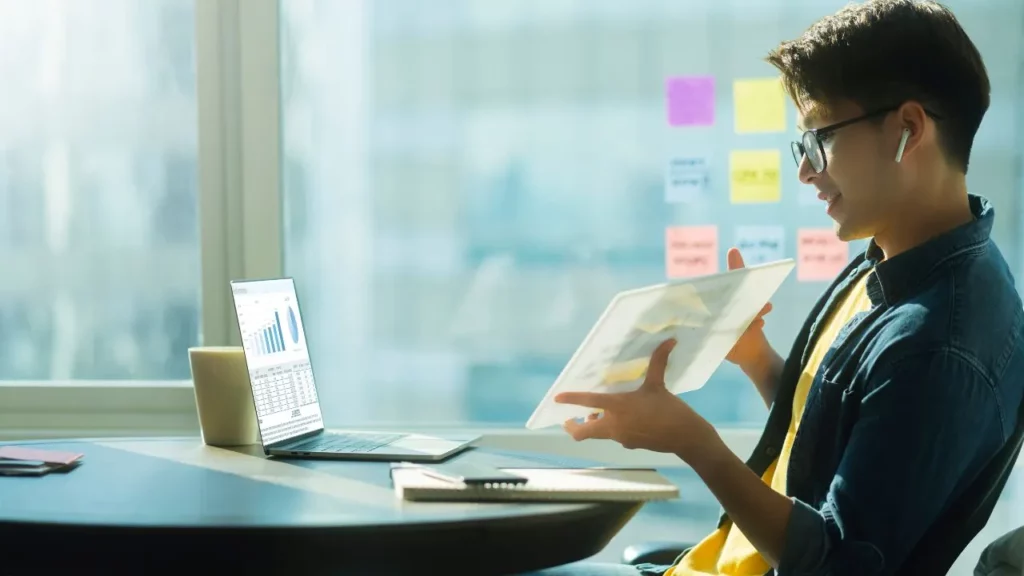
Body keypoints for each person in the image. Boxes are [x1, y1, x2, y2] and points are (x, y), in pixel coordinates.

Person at [523, 0, 1024, 575]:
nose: (806, 171)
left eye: (820, 141)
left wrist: (694, 442)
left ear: (908, 130)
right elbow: (833, 436)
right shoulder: (889, 260)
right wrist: (756, 358)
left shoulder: (941, 343)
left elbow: (837, 562)